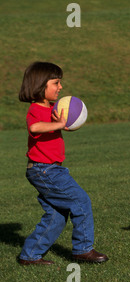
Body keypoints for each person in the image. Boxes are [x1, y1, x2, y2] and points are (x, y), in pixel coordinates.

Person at [18, 61, 108, 265]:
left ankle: (30, 255)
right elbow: (35, 128)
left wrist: (65, 123)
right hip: (44, 171)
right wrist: (57, 124)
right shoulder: (36, 109)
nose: (60, 87)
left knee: (56, 215)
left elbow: (58, 122)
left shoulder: (52, 108)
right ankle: (83, 249)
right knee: (81, 201)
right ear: (41, 85)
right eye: (56, 83)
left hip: (49, 170)